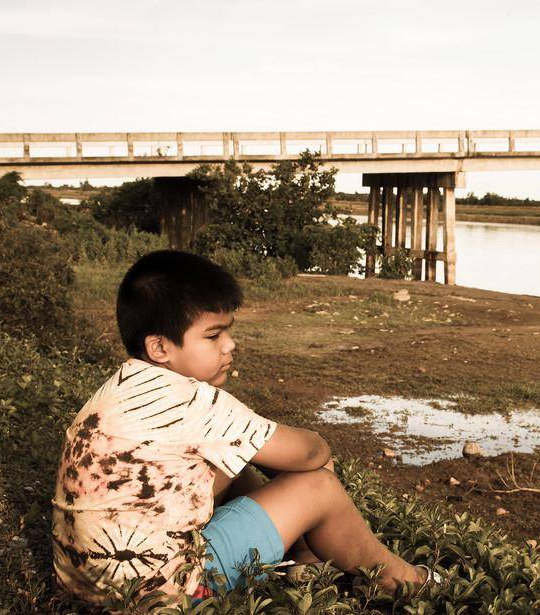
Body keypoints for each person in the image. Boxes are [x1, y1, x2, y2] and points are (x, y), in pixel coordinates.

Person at [51, 250, 435, 605]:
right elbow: (310, 453)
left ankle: (303, 556)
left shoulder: (116, 389)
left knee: (234, 464)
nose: (229, 345)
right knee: (318, 484)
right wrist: (314, 455)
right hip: (168, 593)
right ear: (160, 348)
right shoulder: (194, 401)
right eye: (213, 335)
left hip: (82, 582)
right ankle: (400, 580)